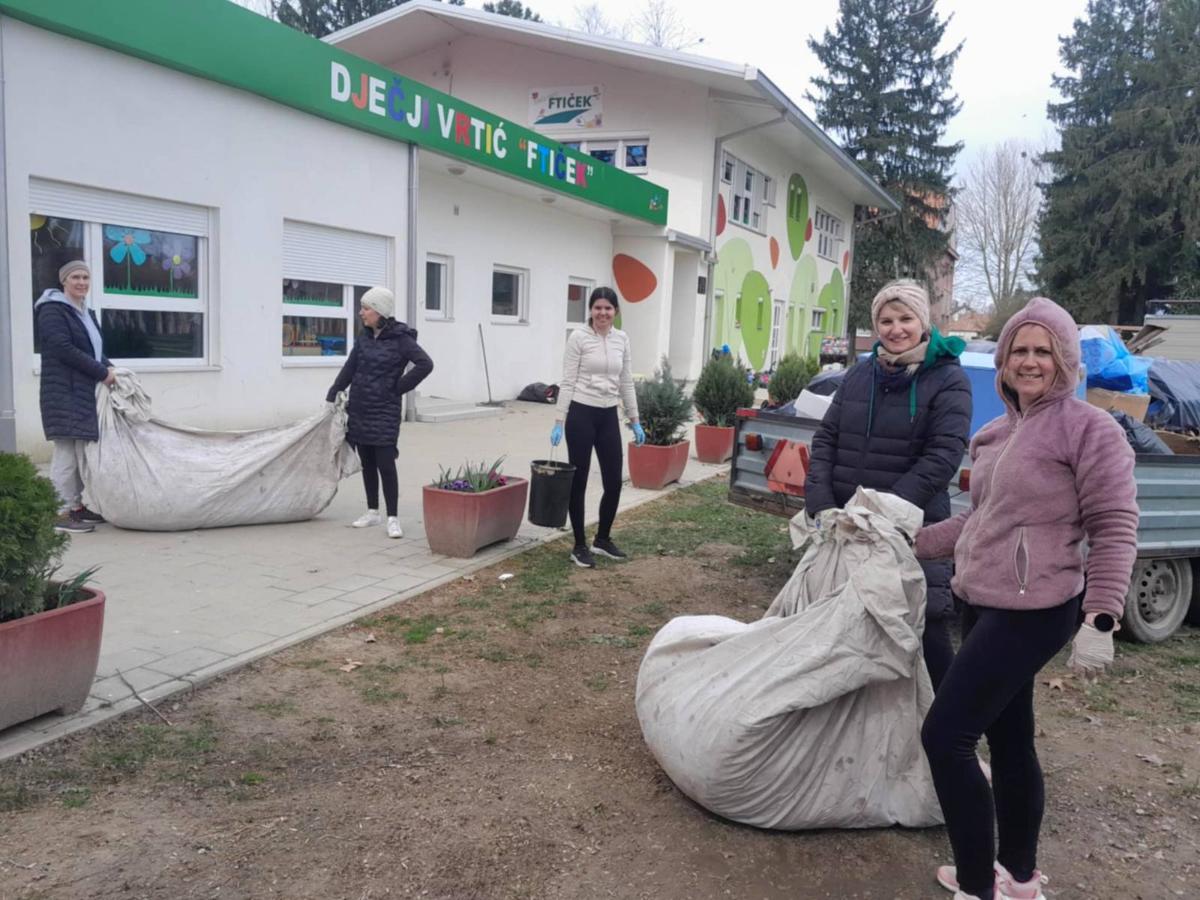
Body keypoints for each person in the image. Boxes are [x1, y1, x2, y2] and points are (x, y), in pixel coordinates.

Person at [915, 297, 1138, 900]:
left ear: (1065, 360)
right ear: (1005, 360)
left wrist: (1102, 614)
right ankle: (1017, 878)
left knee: (945, 737)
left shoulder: (1090, 429)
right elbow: (979, 520)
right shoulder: (994, 433)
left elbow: (1115, 524)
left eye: (1044, 351)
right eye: (1020, 349)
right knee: (1010, 738)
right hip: (982, 598)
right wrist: (907, 540)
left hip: (1037, 609)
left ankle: (976, 886)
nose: (1030, 361)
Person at [803, 279, 972, 689]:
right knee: (841, 620)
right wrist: (820, 500)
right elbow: (827, 437)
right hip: (847, 524)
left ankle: (945, 720)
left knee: (922, 624)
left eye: (905, 319)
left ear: (923, 322)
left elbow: (943, 455)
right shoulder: (860, 374)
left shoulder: (948, 379)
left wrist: (882, 513)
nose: (896, 329)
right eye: (886, 320)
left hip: (912, 528)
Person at [326, 287, 433, 539]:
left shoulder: (401, 339)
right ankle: (372, 511)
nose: (361, 312)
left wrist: (398, 388)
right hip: (360, 407)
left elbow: (425, 364)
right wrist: (334, 391)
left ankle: (393, 518)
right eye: (362, 308)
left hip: (384, 410)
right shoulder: (364, 338)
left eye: (366, 308)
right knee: (368, 462)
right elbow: (350, 367)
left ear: (379, 311)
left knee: (385, 463)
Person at [550, 287, 644, 568]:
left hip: (608, 416)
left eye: (608, 308)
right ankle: (579, 545)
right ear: (590, 310)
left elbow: (626, 381)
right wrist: (559, 420)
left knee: (613, 482)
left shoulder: (621, 339)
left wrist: (635, 420)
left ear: (616, 311)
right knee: (578, 482)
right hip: (581, 414)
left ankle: (602, 539)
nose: (602, 313)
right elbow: (568, 381)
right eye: (597, 308)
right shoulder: (578, 338)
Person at [34, 260, 116, 534]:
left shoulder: (85, 313)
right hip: (63, 391)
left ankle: (76, 506)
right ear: (64, 281)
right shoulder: (52, 310)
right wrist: (102, 372)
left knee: (80, 452)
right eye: (75, 277)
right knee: (66, 452)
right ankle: (58, 511)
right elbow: (63, 349)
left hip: (81, 391)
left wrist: (112, 368)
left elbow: (94, 351)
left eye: (85, 277)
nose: (81, 282)